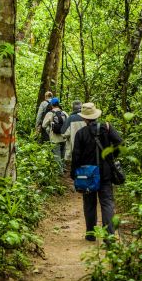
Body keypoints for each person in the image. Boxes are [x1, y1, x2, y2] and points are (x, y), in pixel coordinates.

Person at [71, 102, 122, 242]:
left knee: (89, 203)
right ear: (96, 115)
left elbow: (76, 156)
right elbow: (119, 142)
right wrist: (111, 156)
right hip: (105, 172)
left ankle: (90, 233)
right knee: (107, 203)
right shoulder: (107, 128)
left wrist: (74, 174)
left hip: (87, 175)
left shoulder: (80, 133)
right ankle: (109, 235)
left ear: (84, 118)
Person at [42, 97, 68, 172]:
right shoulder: (64, 113)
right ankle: (63, 167)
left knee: (57, 154)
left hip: (55, 137)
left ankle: (60, 171)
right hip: (64, 136)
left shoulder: (50, 113)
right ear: (58, 104)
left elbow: (44, 125)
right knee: (62, 153)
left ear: (51, 104)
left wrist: (49, 130)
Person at [61, 100, 85, 166]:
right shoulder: (88, 117)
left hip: (74, 147)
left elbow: (64, 133)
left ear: (73, 108)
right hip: (87, 147)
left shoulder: (70, 118)